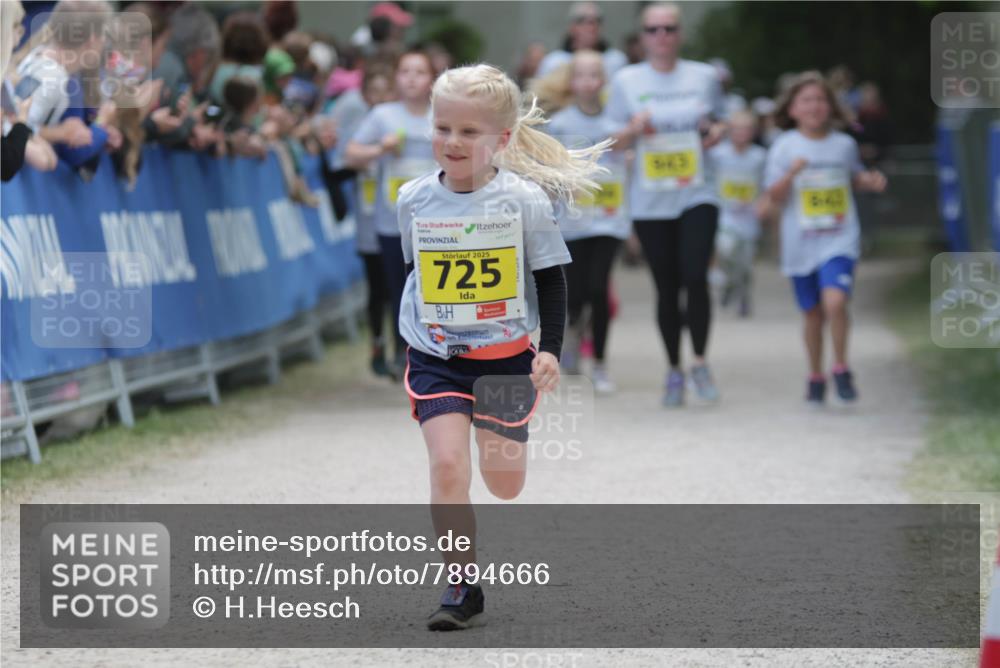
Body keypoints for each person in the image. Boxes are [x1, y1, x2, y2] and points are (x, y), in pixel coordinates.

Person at [396, 63, 609, 631]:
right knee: (447, 466)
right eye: (442, 127)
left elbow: (551, 280)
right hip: (437, 359)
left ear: (502, 139)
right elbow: (415, 275)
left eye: (469, 131)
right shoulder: (414, 199)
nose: (452, 141)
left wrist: (550, 350)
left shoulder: (522, 201)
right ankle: (461, 585)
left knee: (504, 484)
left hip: (505, 363)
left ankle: (506, 446)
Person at [605, 2, 727, 407]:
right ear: (642, 37)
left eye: (669, 28)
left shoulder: (704, 76)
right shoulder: (626, 80)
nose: (661, 36)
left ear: (680, 34)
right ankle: (674, 368)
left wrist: (715, 131)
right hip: (650, 200)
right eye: (653, 29)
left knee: (695, 275)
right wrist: (632, 130)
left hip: (697, 192)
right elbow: (612, 141)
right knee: (667, 286)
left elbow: (723, 122)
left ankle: (700, 361)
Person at [761, 71, 887, 404]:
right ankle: (815, 374)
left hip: (839, 237)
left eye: (820, 99)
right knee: (813, 314)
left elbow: (853, 177)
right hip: (800, 242)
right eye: (806, 100)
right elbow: (773, 195)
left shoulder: (844, 145)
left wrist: (868, 181)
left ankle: (841, 367)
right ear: (792, 109)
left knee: (836, 302)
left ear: (830, 106)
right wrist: (791, 173)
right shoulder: (784, 147)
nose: (814, 106)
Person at [543, 50, 630, 393]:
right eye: (580, 75)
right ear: (571, 82)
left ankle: (601, 362)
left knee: (598, 288)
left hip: (610, 220)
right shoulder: (561, 123)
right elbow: (549, 171)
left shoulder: (617, 124)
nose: (588, 82)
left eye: (594, 75)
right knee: (576, 293)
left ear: (603, 81)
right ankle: (574, 338)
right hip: (574, 222)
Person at [345, 50, 435, 374]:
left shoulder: (441, 116)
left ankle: (431, 351)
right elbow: (351, 153)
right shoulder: (383, 115)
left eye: (419, 72)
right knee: (398, 288)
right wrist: (379, 148)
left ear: (432, 79)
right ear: (396, 77)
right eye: (405, 71)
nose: (411, 78)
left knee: (432, 290)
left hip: (435, 223)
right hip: (392, 222)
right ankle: (401, 352)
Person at [329, 61, 396, 377]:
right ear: (365, 95)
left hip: (397, 224)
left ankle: (402, 350)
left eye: (385, 91)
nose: (380, 98)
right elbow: (339, 168)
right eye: (373, 92)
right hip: (369, 224)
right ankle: (377, 345)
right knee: (377, 290)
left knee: (399, 289)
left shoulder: (399, 126)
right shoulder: (360, 132)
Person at [709, 109, 766, 317]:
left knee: (745, 262)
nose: (742, 133)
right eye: (737, 129)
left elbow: (766, 185)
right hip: (725, 215)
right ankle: (727, 283)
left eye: (746, 129)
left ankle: (742, 293)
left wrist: (764, 204)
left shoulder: (760, 156)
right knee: (726, 249)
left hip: (750, 216)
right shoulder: (718, 154)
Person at [536, 2, 627, 81]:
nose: (591, 27)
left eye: (597, 20)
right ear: (571, 27)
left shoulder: (616, 60)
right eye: (582, 20)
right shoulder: (553, 62)